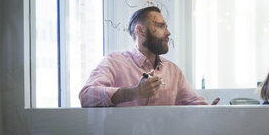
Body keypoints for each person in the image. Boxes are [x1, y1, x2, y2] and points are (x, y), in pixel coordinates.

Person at [79, 6, 219, 107]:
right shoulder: (113, 62)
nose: (168, 33)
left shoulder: (173, 71)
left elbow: (194, 104)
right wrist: (133, 93)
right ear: (141, 31)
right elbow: (86, 96)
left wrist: (210, 112)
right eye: (160, 26)